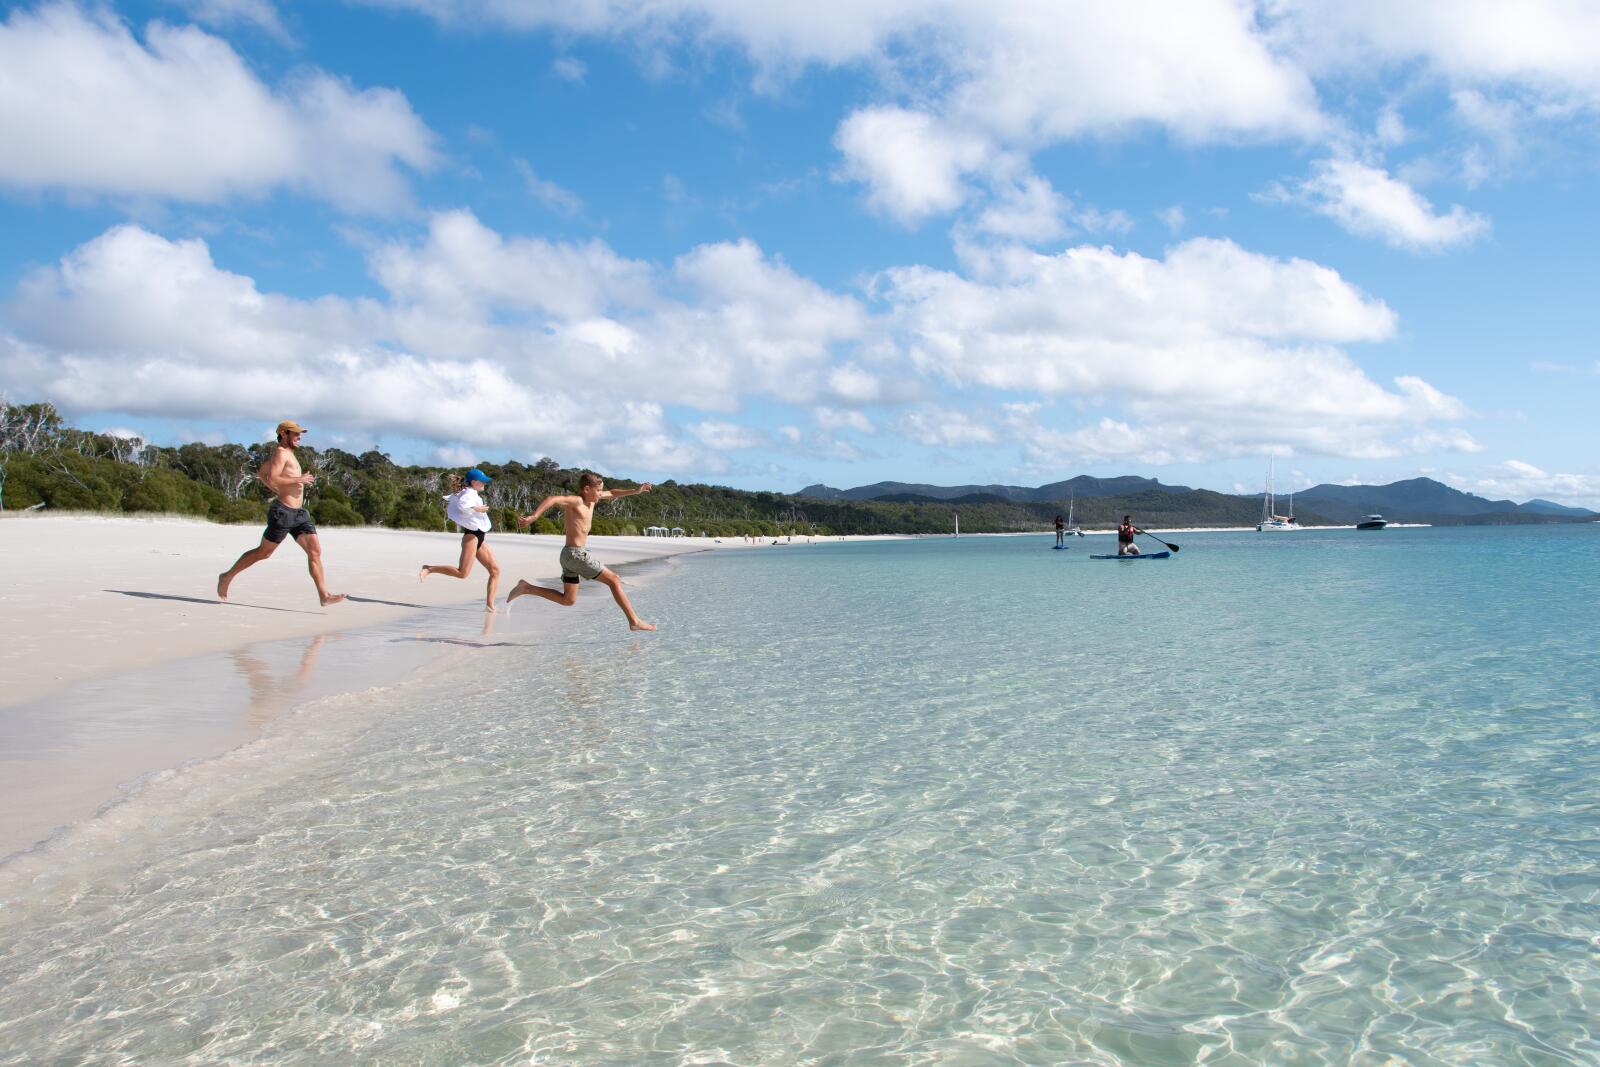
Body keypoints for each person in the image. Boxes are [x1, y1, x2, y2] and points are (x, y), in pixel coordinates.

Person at [218, 420, 346, 606]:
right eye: (295, 434)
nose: (299, 437)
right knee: (263, 553)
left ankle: (324, 595)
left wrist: (278, 486)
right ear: (284, 434)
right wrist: (298, 479)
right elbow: (273, 477)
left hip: (299, 514)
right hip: (283, 512)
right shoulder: (280, 453)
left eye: (299, 434)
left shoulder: (287, 454)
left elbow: (263, 473)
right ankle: (226, 576)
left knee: (315, 551)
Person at [506, 473, 656, 630]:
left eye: (601, 490)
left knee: (568, 600)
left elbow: (612, 493)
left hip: (569, 556)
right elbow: (552, 499)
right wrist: (534, 516)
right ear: (586, 489)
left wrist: (636, 491)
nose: (600, 494)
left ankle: (526, 588)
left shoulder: (592, 500)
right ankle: (634, 621)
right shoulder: (576, 501)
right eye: (598, 490)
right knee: (614, 580)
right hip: (575, 554)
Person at [419, 468, 501, 611]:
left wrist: (476, 508)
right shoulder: (469, 493)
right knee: (463, 573)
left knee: (495, 570)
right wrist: (477, 508)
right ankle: (429, 569)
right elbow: (463, 505)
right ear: (474, 482)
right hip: (471, 537)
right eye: (483, 481)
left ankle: (490, 606)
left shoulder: (470, 492)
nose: (485, 484)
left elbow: (458, 500)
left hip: (479, 537)